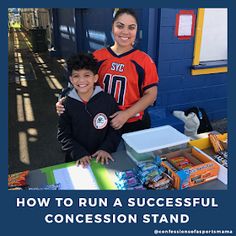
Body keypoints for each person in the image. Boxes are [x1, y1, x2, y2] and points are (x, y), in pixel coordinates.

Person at [56, 8, 159, 134]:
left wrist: (126, 114)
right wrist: (65, 100)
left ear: (136, 30)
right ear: (112, 27)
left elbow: (151, 94)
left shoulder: (144, 60)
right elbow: (81, 82)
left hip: (134, 122)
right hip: (101, 119)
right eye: (120, 26)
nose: (125, 32)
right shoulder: (98, 56)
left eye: (131, 27)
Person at [57, 53, 121, 168]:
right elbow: (63, 135)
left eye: (87, 75)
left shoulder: (107, 100)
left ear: (95, 78)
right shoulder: (66, 104)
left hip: (103, 157)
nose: (81, 80)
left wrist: (106, 148)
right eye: (76, 76)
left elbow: (115, 129)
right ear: (71, 79)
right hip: (77, 160)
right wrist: (78, 152)